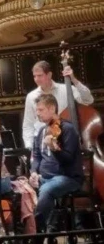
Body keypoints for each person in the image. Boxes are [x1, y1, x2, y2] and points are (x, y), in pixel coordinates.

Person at [29, 94, 83, 233]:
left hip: (67, 178)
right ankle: (24, 229)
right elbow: (36, 156)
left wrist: (55, 149)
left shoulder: (68, 129)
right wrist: (33, 172)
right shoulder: (41, 131)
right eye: (37, 110)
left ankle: (37, 232)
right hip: (44, 178)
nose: (37, 113)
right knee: (21, 190)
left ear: (52, 108)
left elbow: (68, 159)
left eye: (41, 110)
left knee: (47, 190)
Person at [22, 61, 92, 149]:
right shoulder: (31, 96)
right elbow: (28, 125)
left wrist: (74, 79)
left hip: (67, 139)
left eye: (40, 75)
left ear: (49, 75)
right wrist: (30, 147)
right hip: (43, 144)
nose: (37, 79)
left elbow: (88, 100)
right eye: (34, 76)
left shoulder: (66, 89)